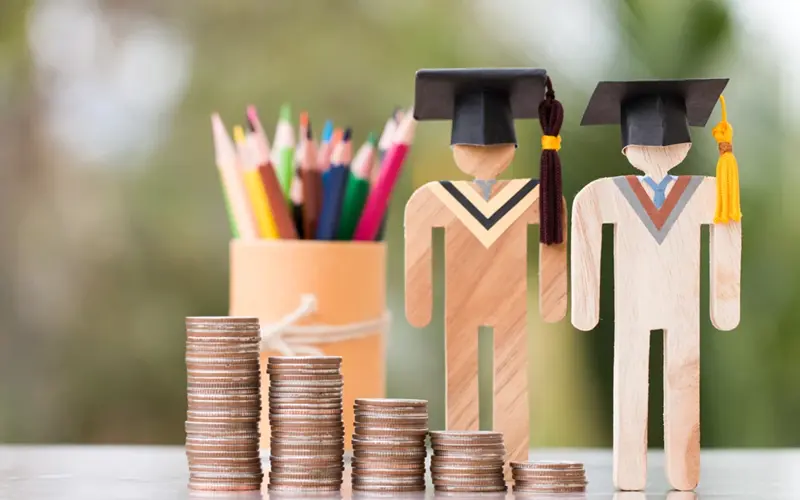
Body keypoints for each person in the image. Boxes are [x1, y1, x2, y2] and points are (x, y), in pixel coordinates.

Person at [572, 79, 742, 491]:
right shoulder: (605, 194)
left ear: (685, 146)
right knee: (629, 382)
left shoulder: (708, 193)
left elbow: (726, 232)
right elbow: (584, 224)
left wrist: (725, 302)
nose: (660, 145)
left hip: (683, 307)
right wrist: (586, 303)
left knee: (684, 378)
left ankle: (684, 471)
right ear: (628, 149)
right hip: (632, 305)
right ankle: (629, 471)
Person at [405, 68, 568, 464]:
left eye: (493, 144)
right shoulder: (434, 199)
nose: (481, 150)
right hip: (459, 311)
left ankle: (514, 457)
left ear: (511, 150)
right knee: (461, 379)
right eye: (470, 144)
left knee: (511, 382)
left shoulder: (535, 197)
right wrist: (420, 304)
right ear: (456, 151)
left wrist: (553, 296)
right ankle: (464, 462)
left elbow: (552, 241)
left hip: (511, 307)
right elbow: (419, 246)